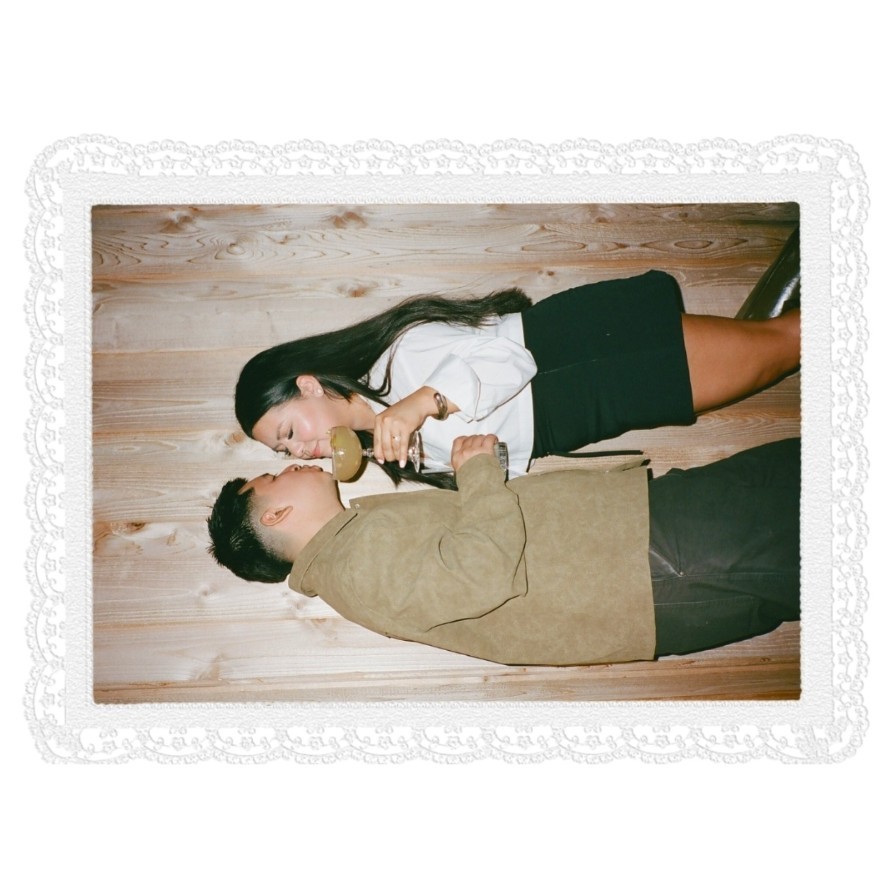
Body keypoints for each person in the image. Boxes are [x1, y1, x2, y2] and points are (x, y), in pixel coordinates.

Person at [235, 228, 801, 486]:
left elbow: (515, 360)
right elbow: (510, 454)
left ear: (307, 386)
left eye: (289, 431)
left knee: (781, 348)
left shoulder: (397, 355)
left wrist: (419, 404)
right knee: (771, 348)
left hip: (581, 359)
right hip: (576, 416)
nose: (300, 451)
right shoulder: (391, 449)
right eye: (284, 451)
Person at [207, 435, 800, 665]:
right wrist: (477, 472)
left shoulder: (354, 545)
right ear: (275, 516)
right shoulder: (354, 570)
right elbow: (481, 571)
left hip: (639, 543)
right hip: (646, 564)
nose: (290, 467)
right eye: (273, 477)